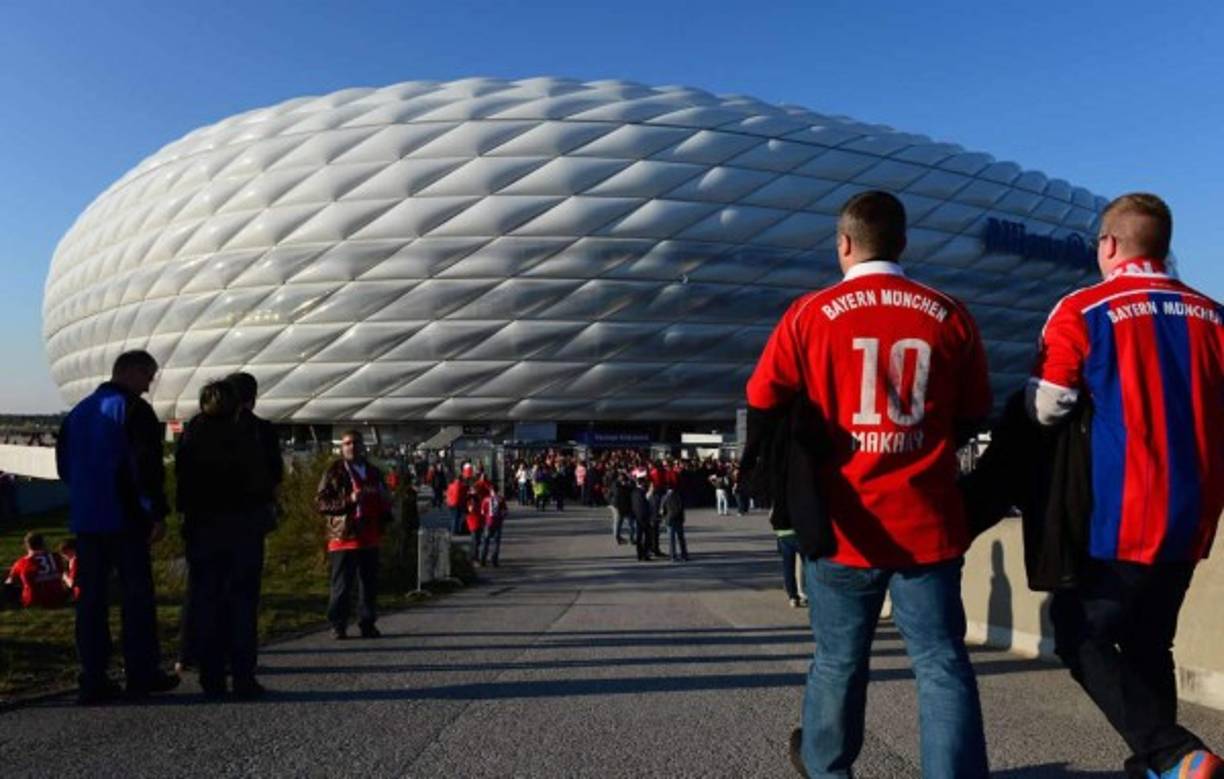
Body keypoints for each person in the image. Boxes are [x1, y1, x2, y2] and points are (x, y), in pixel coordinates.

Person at [747, 191, 992, 778]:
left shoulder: (809, 313)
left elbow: (762, 399)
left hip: (842, 525)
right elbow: (975, 412)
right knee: (941, 664)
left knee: (836, 662)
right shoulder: (949, 312)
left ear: (844, 244)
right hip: (927, 523)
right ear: (903, 243)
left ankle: (828, 770)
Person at [1027, 193, 1223, 779]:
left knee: (1075, 631)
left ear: (1109, 245)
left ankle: (1172, 752)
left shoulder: (1085, 309)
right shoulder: (1213, 314)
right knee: (1148, 642)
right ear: (1164, 246)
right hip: (1194, 515)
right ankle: (1161, 767)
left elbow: (1048, 405)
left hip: (1122, 513)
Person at [55, 350, 180, 705]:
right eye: (148, 375)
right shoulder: (134, 410)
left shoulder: (78, 412)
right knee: (137, 599)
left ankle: (93, 679)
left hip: (87, 522)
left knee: (90, 602)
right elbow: (145, 468)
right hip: (124, 521)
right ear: (130, 371)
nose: (149, 385)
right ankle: (141, 673)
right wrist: (156, 513)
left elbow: (64, 467)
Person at [175, 380, 273, 699]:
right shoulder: (244, 435)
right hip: (242, 529)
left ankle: (211, 676)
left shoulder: (192, 434)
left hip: (203, 529)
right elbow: (265, 478)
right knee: (242, 605)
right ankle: (243, 677)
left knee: (207, 602)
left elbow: (183, 483)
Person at [316, 430, 391, 640]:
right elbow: (322, 503)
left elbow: (383, 497)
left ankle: (367, 623)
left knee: (369, 585)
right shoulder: (334, 472)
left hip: (370, 535)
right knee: (342, 585)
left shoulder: (373, 472)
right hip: (344, 537)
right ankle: (338, 624)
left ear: (363, 446)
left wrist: (386, 505)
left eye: (356, 443)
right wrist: (348, 500)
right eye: (347, 443)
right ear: (342, 447)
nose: (352, 447)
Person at [5, 532, 70, 608]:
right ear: (43, 544)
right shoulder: (56, 557)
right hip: (58, 598)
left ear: (27, 546)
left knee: (11, 586)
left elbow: (9, 581)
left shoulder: (21, 562)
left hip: (33, 601)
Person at [479, 484, 507, 566]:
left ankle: (483, 560)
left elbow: (482, 512)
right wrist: (502, 518)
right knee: (496, 542)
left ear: (490, 491)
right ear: (497, 490)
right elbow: (505, 511)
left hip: (488, 522)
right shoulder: (500, 499)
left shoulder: (486, 499)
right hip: (498, 522)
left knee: (486, 541)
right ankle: (494, 560)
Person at [659, 487, 689, 562]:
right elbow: (682, 508)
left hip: (669, 520)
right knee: (681, 538)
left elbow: (662, 511)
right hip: (678, 519)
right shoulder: (679, 496)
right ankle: (684, 555)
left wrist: (663, 518)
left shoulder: (665, 497)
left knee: (671, 540)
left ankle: (673, 556)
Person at [630, 477, 655, 562]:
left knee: (639, 536)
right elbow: (646, 505)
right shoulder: (643, 493)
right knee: (647, 536)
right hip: (644, 517)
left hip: (637, 517)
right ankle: (645, 554)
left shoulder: (634, 492)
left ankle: (639, 554)